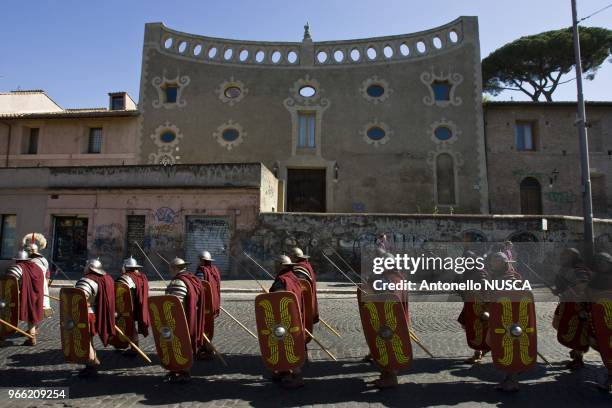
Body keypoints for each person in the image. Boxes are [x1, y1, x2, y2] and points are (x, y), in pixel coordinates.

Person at [485, 252, 525, 392]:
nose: (492, 263)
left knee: (506, 347)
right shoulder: (499, 276)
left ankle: (512, 379)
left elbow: (513, 301)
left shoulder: (511, 278)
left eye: (496, 261)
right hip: (499, 318)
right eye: (492, 261)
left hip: (508, 320)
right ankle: (510, 377)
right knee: (495, 343)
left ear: (503, 263)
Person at [164, 257, 206, 383]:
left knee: (179, 343)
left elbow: (175, 304)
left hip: (181, 319)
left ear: (175, 268)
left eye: (171, 268)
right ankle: (178, 368)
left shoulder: (179, 282)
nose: (170, 270)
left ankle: (184, 370)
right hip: (191, 316)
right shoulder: (192, 278)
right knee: (183, 343)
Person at [551, 248, 592, 370]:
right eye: (563, 255)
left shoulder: (580, 269)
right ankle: (576, 351)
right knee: (558, 324)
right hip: (566, 303)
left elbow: (583, 285)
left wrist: (567, 292)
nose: (563, 257)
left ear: (574, 257)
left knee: (577, 331)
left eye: (567, 255)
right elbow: (562, 285)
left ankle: (578, 357)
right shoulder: (565, 268)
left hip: (578, 304)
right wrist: (558, 290)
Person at [75, 258, 116, 378]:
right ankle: (94, 360)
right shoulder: (107, 279)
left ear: (89, 267)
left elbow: (81, 297)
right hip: (99, 314)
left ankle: (91, 365)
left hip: (87, 314)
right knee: (89, 338)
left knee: (86, 339)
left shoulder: (87, 280)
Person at [269, 254, 306, 389]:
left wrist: (270, 295)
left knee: (288, 345)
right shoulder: (294, 278)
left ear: (282, 265)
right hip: (294, 317)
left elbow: (279, 299)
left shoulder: (282, 280)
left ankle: (297, 376)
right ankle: (283, 370)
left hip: (284, 319)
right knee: (284, 345)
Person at [455, 250, 490, 364]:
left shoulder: (479, 272)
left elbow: (485, 287)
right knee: (465, 324)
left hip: (479, 305)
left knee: (476, 328)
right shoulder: (466, 271)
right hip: (470, 304)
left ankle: (479, 351)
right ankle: (482, 348)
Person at [5, 250, 45, 346]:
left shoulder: (18, 267)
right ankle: (32, 336)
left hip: (26, 294)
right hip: (37, 294)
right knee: (33, 315)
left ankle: (3, 334)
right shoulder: (36, 267)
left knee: (9, 312)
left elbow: (9, 282)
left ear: (18, 260)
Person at [586, 252, 612, 392]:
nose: (601, 264)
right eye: (599, 262)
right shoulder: (594, 279)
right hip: (599, 319)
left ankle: (610, 378)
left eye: (604, 262)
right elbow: (588, 296)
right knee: (598, 343)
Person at [116, 256, 150, 357]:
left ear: (126, 267)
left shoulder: (125, 278)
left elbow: (119, 291)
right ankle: (134, 347)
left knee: (130, 326)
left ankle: (134, 348)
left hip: (128, 307)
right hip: (140, 305)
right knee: (132, 327)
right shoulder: (142, 276)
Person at [194, 250, 221, 360]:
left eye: (198, 260)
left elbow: (199, 288)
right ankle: (206, 348)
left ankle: (207, 349)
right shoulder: (214, 270)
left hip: (204, 305)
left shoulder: (201, 272)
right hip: (212, 303)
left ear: (201, 260)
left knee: (203, 326)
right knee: (208, 326)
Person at [290, 247, 319, 326]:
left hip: (303, 301)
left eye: (291, 257)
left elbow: (299, 286)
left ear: (294, 257)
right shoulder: (306, 264)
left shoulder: (299, 268)